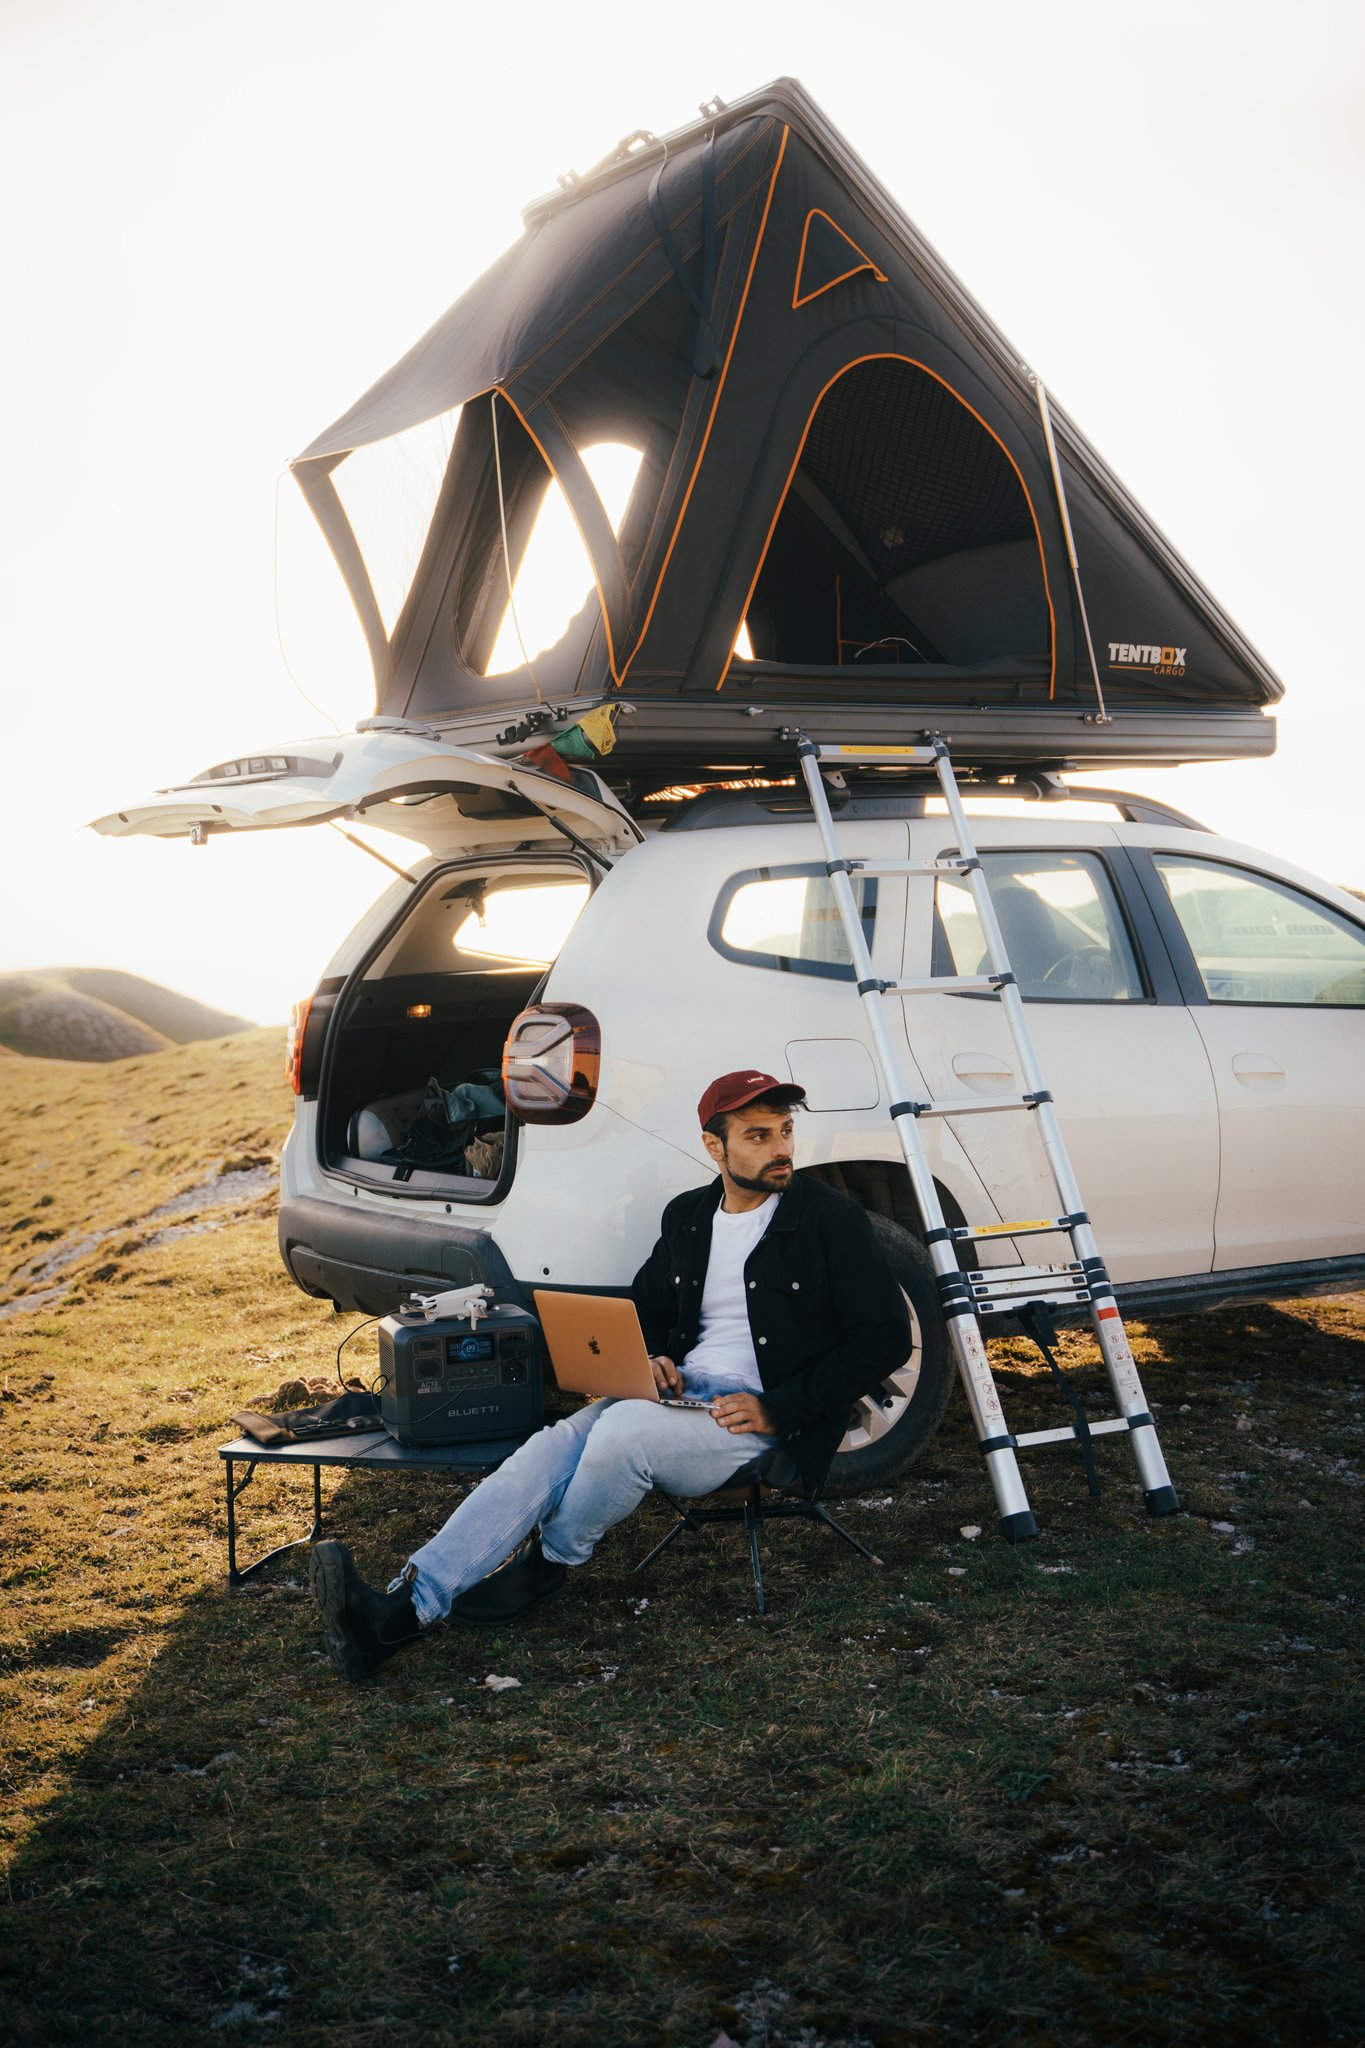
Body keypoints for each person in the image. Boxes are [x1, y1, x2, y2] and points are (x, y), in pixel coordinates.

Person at [310, 1070, 911, 1680]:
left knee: (621, 1436)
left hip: (756, 1417)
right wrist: (647, 1358)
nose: (781, 1148)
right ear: (715, 1146)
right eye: (758, 1136)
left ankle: (548, 1562)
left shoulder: (830, 1220)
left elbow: (885, 1337)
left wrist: (781, 1407)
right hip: (677, 1398)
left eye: (785, 1131)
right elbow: (645, 1312)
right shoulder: (689, 1218)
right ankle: (399, 1612)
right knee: (543, 1451)